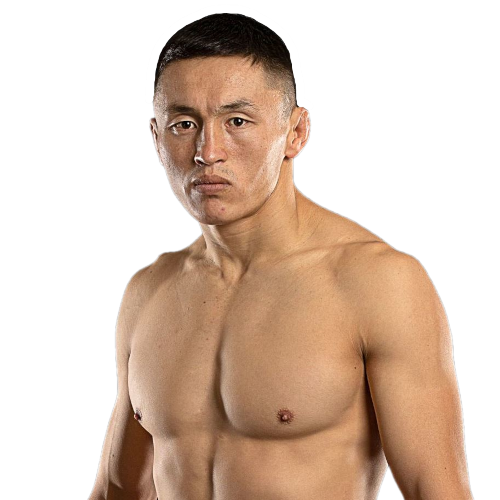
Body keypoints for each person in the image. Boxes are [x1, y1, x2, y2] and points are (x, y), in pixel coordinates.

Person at [88, 10, 474, 500]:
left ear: (296, 133)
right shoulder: (149, 290)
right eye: (183, 124)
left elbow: (437, 492)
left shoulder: (377, 282)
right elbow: (116, 490)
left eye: (237, 121)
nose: (208, 151)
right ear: (156, 140)